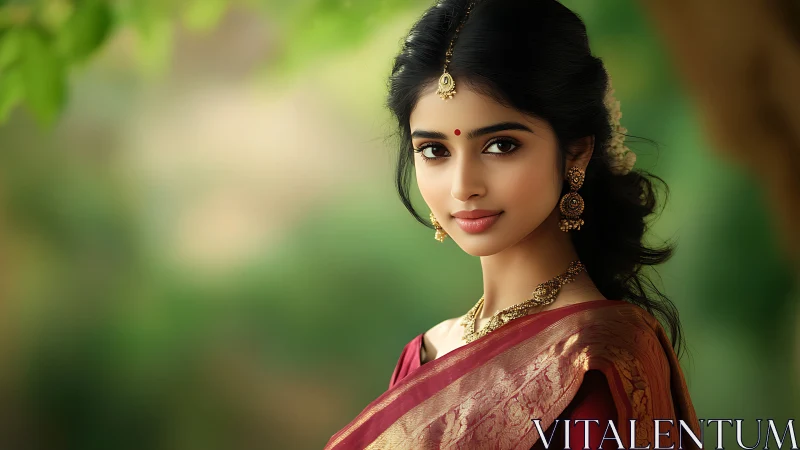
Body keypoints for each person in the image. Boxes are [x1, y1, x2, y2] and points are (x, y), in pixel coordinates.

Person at [324, 0, 700, 448]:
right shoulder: (425, 353)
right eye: (434, 150)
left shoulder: (598, 356)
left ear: (575, 152)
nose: (464, 186)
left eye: (501, 145)